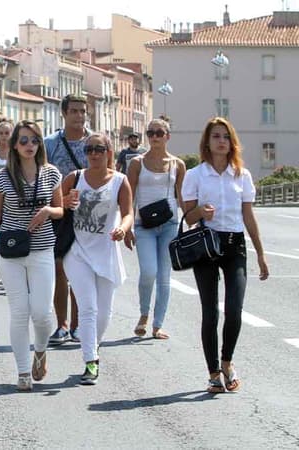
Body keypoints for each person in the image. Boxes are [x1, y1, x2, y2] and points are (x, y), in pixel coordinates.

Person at [181, 117, 268, 394]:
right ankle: (213, 372)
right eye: (216, 136)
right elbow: (188, 216)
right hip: (205, 245)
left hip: (234, 246)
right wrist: (200, 213)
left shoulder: (241, 175)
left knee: (234, 309)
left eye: (226, 137)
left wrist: (261, 254)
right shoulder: (195, 175)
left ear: (232, 142)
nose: (221, 141)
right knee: (210, 312)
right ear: (207, 142)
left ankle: (227, 361)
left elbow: (249, 216)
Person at [0, 120, 63, 390]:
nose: (29, 145)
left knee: (42, 312)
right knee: (19, 311)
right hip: (11, 250)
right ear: (14, 144)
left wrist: (48, 211)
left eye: (34, 140)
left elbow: (61, 210)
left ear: (40, 144)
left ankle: (40, 350)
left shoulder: (51, 173)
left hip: (42, 249)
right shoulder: (2, 177)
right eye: (24, 140)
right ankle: (23, 372)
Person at [62, 132, 133, 385]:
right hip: (77, 252)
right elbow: (56, 208)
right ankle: (90, 362)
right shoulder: (74, 178)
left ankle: (94, 347)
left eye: (99, 149)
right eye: (89, 149)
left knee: (104, 313)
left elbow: (128, 213)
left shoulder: (120, 181)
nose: (93, 153)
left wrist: (123, 228)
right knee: (88, 308)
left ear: (108, 152)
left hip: (106, 252)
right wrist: (65, 201)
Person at [124, 119, 185, 339]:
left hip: (169, 224)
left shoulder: (178, 164)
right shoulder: (137, 163)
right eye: (151, 133)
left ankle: (157, 325)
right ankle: (143, 314)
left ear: (168, 136)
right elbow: (128, 196)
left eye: (160, 133)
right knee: (148, 271)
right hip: (143, 225)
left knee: (164, 276)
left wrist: (194, 220)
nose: (155, 137)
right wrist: (127, 225)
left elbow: (182, 198)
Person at [44, 93, 90, 345]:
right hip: (59, 214)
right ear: (64, 113)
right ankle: (61, 324)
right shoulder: (50, 143)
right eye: (74, 111)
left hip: (88, 216)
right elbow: (41, 177)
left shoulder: (95, 142)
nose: (79, 116)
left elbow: (108, 175)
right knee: (59, 269)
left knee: (81, 271)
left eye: (83, 111)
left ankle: (78, 324)